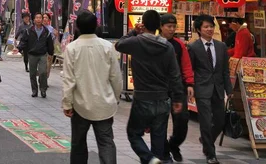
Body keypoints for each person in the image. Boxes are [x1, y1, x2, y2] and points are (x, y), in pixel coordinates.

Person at [115, 10, 184, 164]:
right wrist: (178, 98)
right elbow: (175, 75)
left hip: (142, 98)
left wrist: (134, 31)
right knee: (159, 139)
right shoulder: (167, 47)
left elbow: (119, 45)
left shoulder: (136, 42)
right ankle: (156, 158)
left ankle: (149, 158)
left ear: (143, 24)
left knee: (133, 133)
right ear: (159, 26)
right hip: (162, 99)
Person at [63, 10, 122, 164]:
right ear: (96, 25)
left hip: (80, 104)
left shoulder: (72, 48)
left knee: (78, 143)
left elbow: (69, 80)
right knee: (106, 142)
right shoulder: (107, 47)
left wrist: (67, 103)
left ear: (77, 27)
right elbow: (116, 76)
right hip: (104, 103)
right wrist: (115, 97)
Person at [188, 15, 233, 164]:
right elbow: (190, 69)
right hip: (202, 89)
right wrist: (191, 87)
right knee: (206, 121)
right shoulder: (194, 47)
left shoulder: (221, 46)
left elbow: (225, 71)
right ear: (199, 30)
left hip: (218, 89)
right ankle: (211, 154)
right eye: (206, 27)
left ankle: (206, 140)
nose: (209, 29)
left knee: (220, 121)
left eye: (211, 26)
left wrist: (229, 90)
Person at [159, 14, 194, 163]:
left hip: (177, 90)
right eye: (169, 26)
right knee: (160, 123)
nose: (172, 29)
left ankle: (173, 145)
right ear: (161, 27)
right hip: (159, 90)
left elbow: (186, 65)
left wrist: (190, 83)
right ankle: (165, 152)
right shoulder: (154, 43)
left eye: (174, 27)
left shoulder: (179, 45)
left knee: (182, 122)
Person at [18, 12, 54, 98]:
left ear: (42, 20)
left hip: (42, 54)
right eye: (36, 18)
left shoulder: (46, 31)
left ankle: (43, 89)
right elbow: (23, 41)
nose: (38, 19)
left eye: (40, 18)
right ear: (34, 20)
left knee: (43, 73)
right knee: (32, 74)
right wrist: (18, 48)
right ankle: (34, 90)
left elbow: (50, 43)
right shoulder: (29, 31)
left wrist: (50, 53)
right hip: (32, 54)